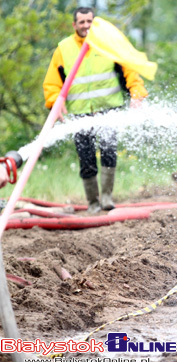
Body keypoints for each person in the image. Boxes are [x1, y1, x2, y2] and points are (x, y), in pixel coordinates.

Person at [43, 7, 148, 213]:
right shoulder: (63, 49)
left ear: (94, 22)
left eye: (89, 21)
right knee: (86, 157)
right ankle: (93, 203)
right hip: (80, 112)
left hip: (108, 108)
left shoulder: (108, 44)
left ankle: (107, 198)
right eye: (81, 22)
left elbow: (129, 70)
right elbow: (52, 82)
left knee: (109, 151)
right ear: (74, 25)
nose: (86, 26)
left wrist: (137, 93)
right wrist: (55, 101)